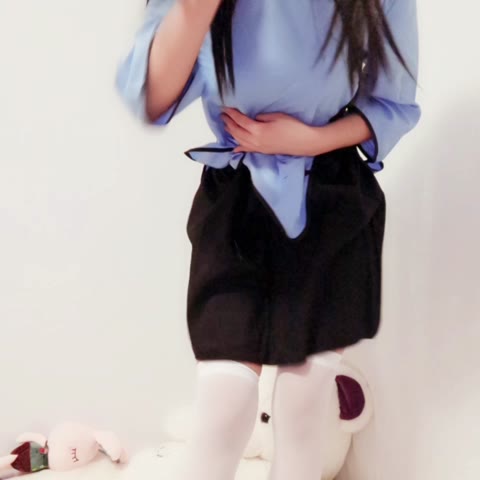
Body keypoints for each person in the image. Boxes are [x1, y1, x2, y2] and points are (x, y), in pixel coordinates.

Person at [115, 0, 421, 479]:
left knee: (304, 401)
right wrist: (194, 13)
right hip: (237, 199)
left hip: (332, 199)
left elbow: (392, 103)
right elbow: (151, 94)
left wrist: (310, 140)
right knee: (225, 398)